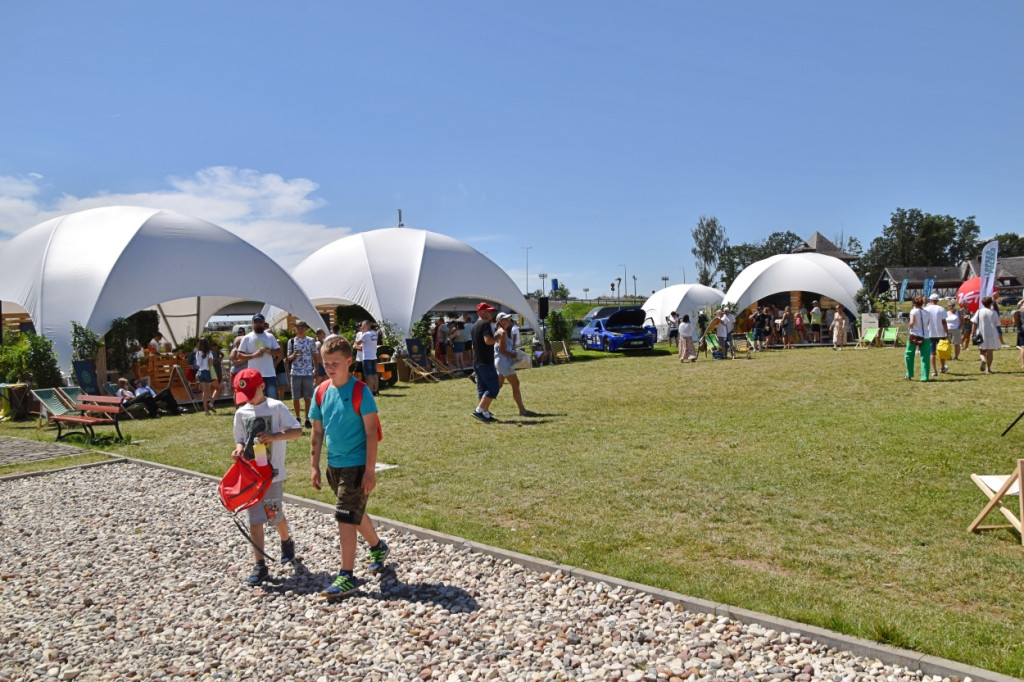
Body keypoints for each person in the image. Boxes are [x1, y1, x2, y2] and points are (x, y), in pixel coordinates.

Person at [310, 336, 389, 600]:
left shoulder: (360, 391)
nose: (329, 368)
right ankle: (378, 547)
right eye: (325, 363)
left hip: (356, 465)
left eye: (335, 363)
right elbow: (317, 431)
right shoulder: (321, 391)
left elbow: (371, 433)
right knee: (353, 511)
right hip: (334, 465)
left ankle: (346, 575)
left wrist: (369, 470)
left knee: (344, 516)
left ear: (349, 361)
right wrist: (314, 466)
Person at [232, 368, 303, 586]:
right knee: (254, 519)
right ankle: (259, 565)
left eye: (251, 393)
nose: (248, 400)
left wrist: (273, 436)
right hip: (252, 475)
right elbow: (240, 438)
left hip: (272, 475)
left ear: (262, 386)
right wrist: (239, 449)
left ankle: (286, 541)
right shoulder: (241, 413)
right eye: (244, 396)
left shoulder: (276, 407)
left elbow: (297, 430)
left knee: (272, 515)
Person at [493, 312, 536, 417]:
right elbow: (503, 350)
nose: (509, 320)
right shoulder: (502, 332)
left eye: (509, 318)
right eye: (506, 319)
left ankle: (482, 407)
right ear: (500, 321)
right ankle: (522, 410)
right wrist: (515, 356)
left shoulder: (502, 331)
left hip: (501, 361)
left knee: (498, 385)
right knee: (515, 384)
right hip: (504, 362)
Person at [237, 313, 282, 398]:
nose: (258, 324)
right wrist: (254, 355)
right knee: (255, 400)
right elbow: (239, 355)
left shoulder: (270, 336)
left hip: (269, 374)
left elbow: (279, 353)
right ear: (252, 323)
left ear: (264, 323)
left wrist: (267, 350)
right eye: (256, 322)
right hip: (253, 375)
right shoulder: (247, 338)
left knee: (272, 400)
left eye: (260, 322)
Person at [470, 302, 500, 422]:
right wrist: (498, 337)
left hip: (477, 361)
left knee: (482, 388)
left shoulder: (474, 326)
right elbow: (488, 341)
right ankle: (478, 411)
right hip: (486, 361)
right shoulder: (485, 325)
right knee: (493, 387)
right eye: (488, 311)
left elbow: (473, 346)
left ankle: (485, 414)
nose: (490, 313)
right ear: (481, 312)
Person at [286, 320, 319, 428]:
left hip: (308, 371)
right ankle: (298, 417)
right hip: (295, 372)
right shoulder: (291, 341)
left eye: (302, 327)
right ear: (295, 328)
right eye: (298, 327)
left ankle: (307, 418)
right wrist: (294, 355)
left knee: (307, 397)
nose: (300, 329)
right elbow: (288, 358)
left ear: (305, 329)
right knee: (295, 397)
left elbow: (315, 355)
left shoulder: (310, 340)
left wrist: (316, 369)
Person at [972, 296, 1003, 374]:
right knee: (990, 352)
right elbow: (997, 323)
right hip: (992, 333)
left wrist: (973, 333)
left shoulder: (979, 311)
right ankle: (988, 369)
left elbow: (974, 322)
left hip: (982, 333)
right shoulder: (994, 312)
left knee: (982, 351)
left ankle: (983, 360)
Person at [904, 296, 931, 381]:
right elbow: (928, 323)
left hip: (915, 335)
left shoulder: (913, 311)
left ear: (913, 303)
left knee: (909, 354)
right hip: (926, 336)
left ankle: (909, 374)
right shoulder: (927, 312)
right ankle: (925, 376)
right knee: (925, 357)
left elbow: (912, 322)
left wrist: (909, 327)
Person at [924, 293, 949, 376]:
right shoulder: (941, 309)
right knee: (941, 351)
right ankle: (942, 367)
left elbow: (926, 322)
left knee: (932, 353)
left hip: (930, 333)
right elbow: (944, 322)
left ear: (930, 300)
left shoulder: (926, 309)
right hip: (941, 333)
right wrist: (947, 333)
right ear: (937, 300)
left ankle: (934, 371)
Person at [353, 320, 380, 396]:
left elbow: (357, 343)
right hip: (374, 357)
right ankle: (376, 390)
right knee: (374, 374)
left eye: (363, 326)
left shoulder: (366, 335)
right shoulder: (374, 334)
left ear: (368, 326)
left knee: (369, 375)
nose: (362, 328)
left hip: (367, 357)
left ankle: (370, 392)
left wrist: (355, 344)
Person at [195, 338, 218, 415]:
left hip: (201, 372)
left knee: (205, 392)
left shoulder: (198, 353)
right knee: (218, 388)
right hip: (208, 372)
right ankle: (211, 403)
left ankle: (206, 411)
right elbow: (211, 363)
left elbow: (198, 364)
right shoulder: (209, 352)